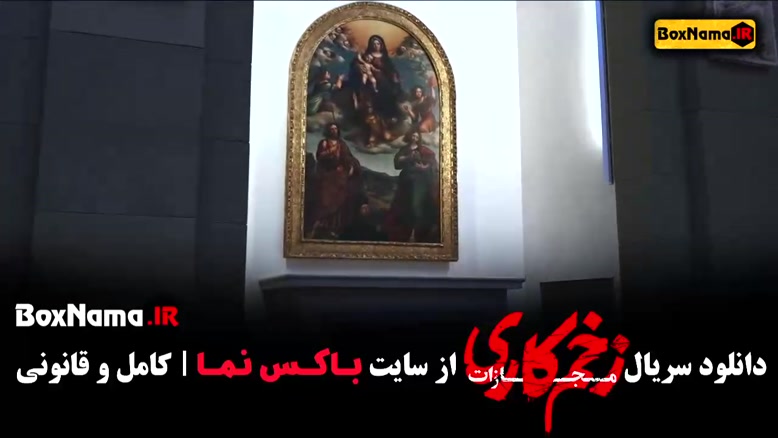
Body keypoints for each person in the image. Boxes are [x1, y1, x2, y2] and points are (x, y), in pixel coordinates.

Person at [308, 123, 364, 239]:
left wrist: (351, 166)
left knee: (340, 201)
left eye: (335, 129)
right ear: (328, 130)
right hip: (328, 176)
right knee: (326, 201)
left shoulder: (342, 144)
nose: (334, 131)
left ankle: (335, 227)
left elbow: (348, 157)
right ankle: (321, 225)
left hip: (340, 177)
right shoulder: (324, 142)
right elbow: (320, 157)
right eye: (331, 129)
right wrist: (330, 152)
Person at [384, 131, 440, 243]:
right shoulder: (405, 150)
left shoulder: (424, 150)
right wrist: (406, 158)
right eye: (413, 136)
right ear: (410, 137)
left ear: (419, 138)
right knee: (402, 206)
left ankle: (416, 233)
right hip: (406, 182)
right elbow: (397, 164)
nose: (414, 138)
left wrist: (424, 167)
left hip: (419, 182)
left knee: (417, 205)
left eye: (416, 136)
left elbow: (432, 163)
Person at [348, 35, 403, 123]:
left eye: (378, 43)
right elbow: (357, 62)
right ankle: (372, 117)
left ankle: (388, 116)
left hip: (383, 80)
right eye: (374, 44)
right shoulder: (367, 55)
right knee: (369, 95)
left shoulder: (384, 57)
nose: (376, 45)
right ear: (371, 45)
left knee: (388, 93)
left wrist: (394, 75)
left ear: (381, 45)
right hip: (370, 80)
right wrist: (359, 67)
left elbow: (390, 68)